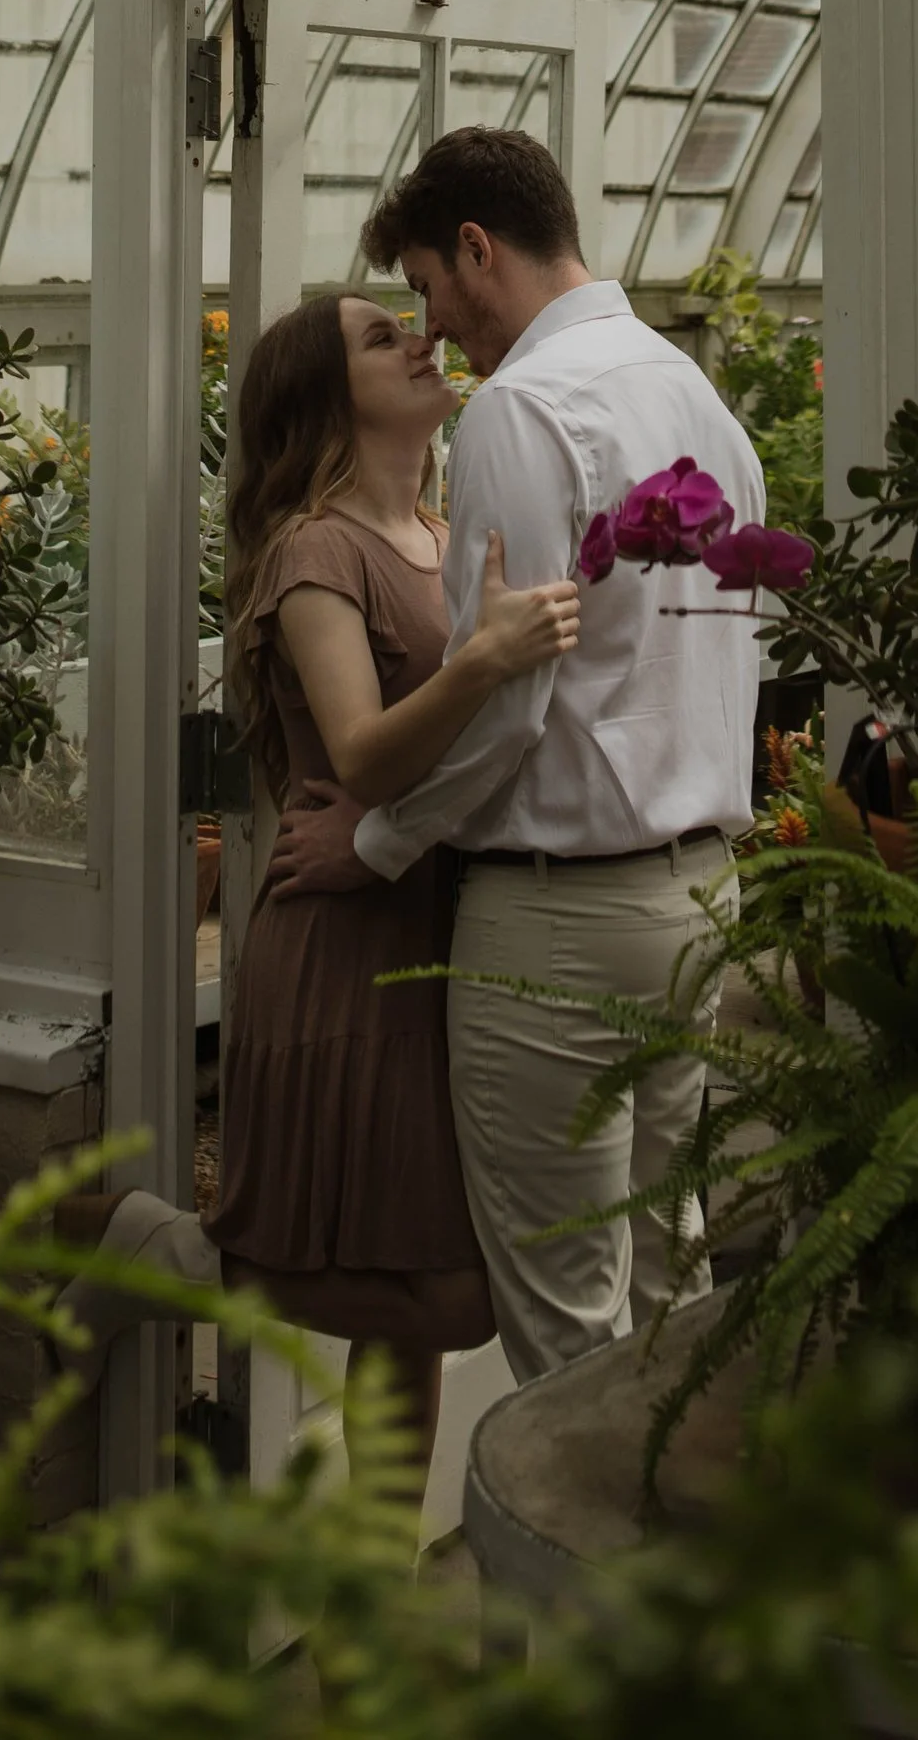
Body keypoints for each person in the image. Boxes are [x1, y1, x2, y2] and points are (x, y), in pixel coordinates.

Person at [55, 289, 581, 1472]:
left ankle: (364, 1627)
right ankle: (139, 1251)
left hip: (443, 930)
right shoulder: (312, 547)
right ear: (323, 396)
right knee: (440, 1295)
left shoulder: (447, 542)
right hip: (343, 945)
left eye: (409, 320)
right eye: (377, 336)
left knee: (410, 1301)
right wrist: (485, 659)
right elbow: (357, 750)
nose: (417, 337)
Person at [272, 126, 764, 1387]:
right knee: (673, 1283)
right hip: (703, 895)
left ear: (477, 250)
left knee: (565, 1334)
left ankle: (575, 1582)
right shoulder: (694, 394)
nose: (434, 329)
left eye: (429, 290)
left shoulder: (524, 411)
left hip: (563, 924)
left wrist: (372, 842)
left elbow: (508, 699)